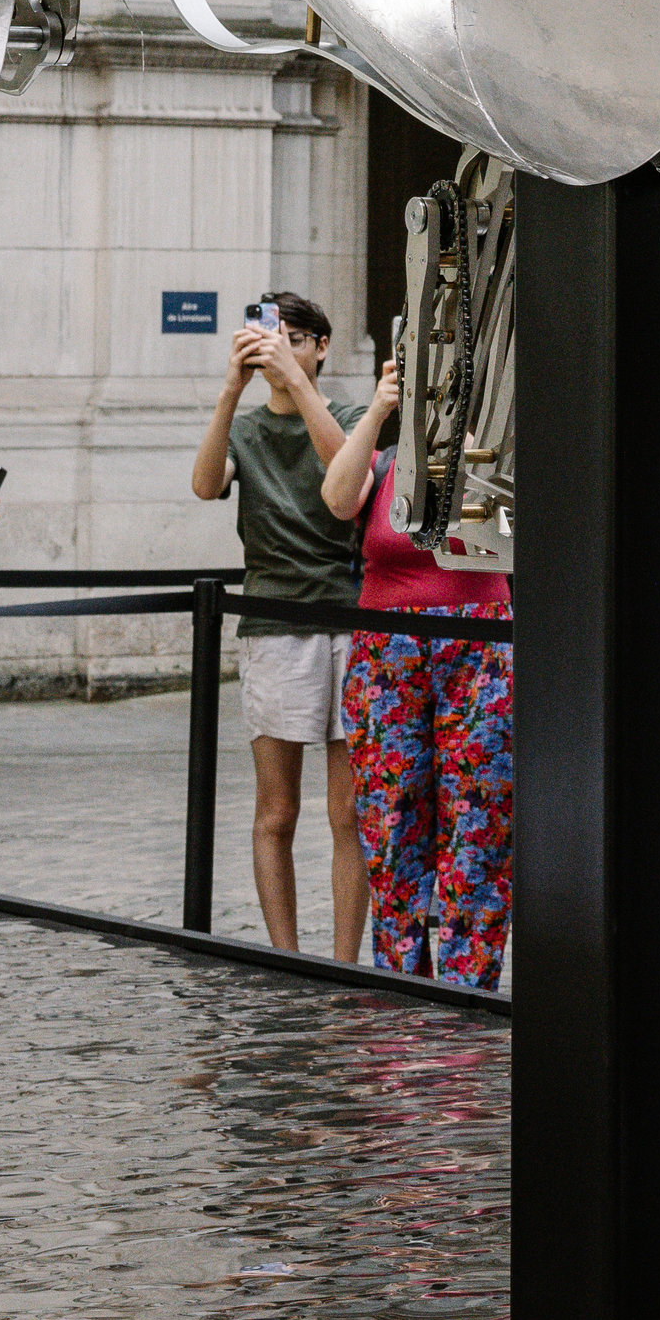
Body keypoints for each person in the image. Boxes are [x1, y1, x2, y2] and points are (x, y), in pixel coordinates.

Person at [187, 293, 368, 961]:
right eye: (271, 336)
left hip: (349, 614)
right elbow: (207, 485)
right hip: (271, 619)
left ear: (323, 345)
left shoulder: (348, 414)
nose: (280, 348)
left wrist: (296, 383)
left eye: (296, 337)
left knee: (347, 811)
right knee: (277, 809)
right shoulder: (248, 426)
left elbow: (347, 483)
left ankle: (347, 961)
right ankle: (287, 956)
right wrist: (231, 391)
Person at [324, 355, 514, 987]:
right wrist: (381, 408)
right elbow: (335, 496)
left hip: (477, 640)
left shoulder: (492, 446)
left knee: (477, 819)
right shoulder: (383, 459)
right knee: (390, 815)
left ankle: (468, 984)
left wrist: (471, 433)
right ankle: (400, 981)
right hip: (387, 653)